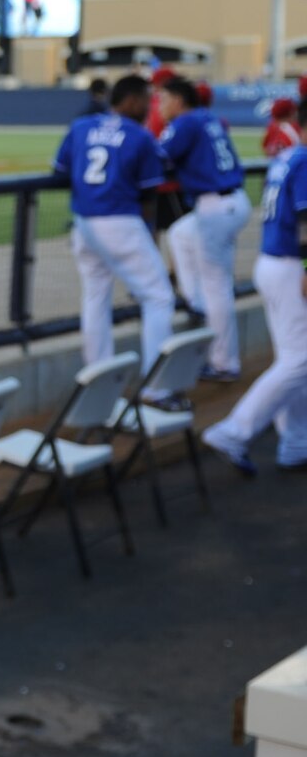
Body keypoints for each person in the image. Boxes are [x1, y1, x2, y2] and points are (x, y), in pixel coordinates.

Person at [53, 73, 176, 380]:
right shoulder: (139, 135)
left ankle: (97, 378)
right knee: (159, 297)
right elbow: (149, 192)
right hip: (120, 221)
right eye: (146, 100)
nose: (150, 107)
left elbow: (59, 172)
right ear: (132, 101)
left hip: (83, 223)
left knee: (95, 296)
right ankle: (157, 386)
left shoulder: (81, 126)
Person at [201, 145, 307, 476]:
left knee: (294, 359)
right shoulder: (304, 160)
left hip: (273, 262)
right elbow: (305, 219)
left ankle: (295, 443)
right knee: (299, 360)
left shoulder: (288, 156)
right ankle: (232, 432)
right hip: (290, 266)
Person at [157, 77, 250, 382]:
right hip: (230, 201)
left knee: (218, 288)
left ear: (179, 101)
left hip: (215, 207)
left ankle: (225, 363)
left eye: (164, 98)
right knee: (180, 233)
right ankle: (195, 301)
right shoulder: (208, 118)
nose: (160, 104)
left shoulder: (185, 122)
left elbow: (157, 157)